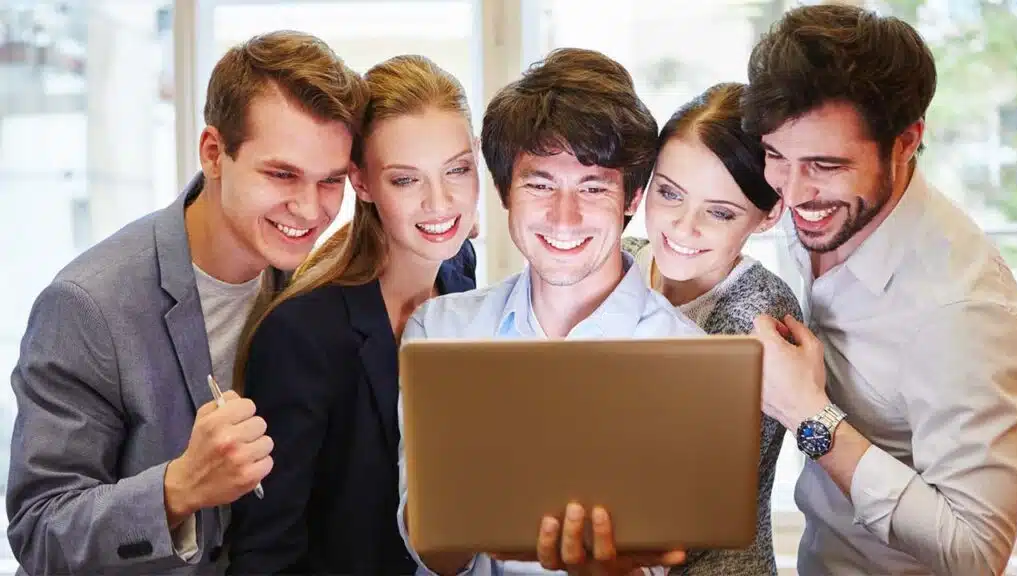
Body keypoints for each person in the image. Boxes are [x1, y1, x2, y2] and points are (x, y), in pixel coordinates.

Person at [6, 31, 368, 575]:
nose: (310, 209)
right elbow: (39, 530)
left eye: (331, 181)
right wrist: (177, 488)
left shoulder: (315, 282)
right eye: (281, 174)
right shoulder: (88, 304)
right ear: (214, 153)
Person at [396, 47, 703, 576]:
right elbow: (432, 556)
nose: (565, 217)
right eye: (540, 184)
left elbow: (660, 559)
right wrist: (462, 498)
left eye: (593, 186)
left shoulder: (686, 361)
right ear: (504, 192)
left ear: (631, 198)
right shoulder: (442, 331)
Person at [743, 5, 1017, 575]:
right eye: (776, 155)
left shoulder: (962, 308)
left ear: (905, 142)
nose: (793, 192)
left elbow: (977, 553)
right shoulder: (823, 215)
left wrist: (809, 414)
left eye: (824, 164)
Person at [226, 54, 479, 575]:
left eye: (457, 170)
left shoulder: (459, 276)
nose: (441, 202)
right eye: (406, 180)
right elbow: (267, 552)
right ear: (361, 183)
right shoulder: (304, 333)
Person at [621, 82, 800, 575]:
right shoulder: (623, 263)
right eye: (669, 193)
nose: (682, 227)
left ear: (769, 215)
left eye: (719, 212)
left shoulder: (760, 317)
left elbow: (696, 497)